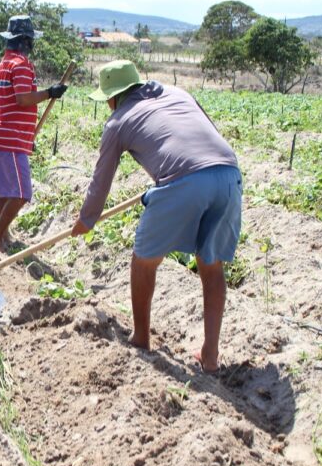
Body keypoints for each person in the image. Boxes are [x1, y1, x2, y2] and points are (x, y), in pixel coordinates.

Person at [70, 60, 242, 373]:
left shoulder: (118, 121)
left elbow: (101, 181)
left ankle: (140, 338)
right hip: (228, 174)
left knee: (144, 259)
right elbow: (199, 138)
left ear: (113, 96)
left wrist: (86, 220)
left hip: (184, 181)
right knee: (211, 263)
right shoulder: (178, 93)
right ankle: (210, 357)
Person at [0, 15, 68, 253]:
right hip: (9, 140)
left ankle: (4, 234)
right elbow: (23, 99)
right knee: (21, 193)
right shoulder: (20, 64)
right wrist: (50, 92)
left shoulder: (3, 65)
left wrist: (26, 136)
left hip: (2, 138)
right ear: (25, 41)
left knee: (6, 192)